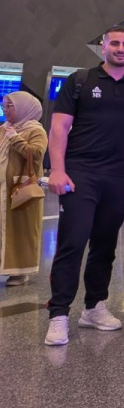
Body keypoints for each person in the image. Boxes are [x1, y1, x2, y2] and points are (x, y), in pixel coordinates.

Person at [45, 26, 124, 346]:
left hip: (118, 177)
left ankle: (94, 307)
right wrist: (58, 170)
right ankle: (59, 314)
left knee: (105, 246)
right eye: (115, 43)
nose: (121, 48)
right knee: (73, 242)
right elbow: (59, 127)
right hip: (81, 175)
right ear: (103, 47)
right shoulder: (80, 81)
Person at [1, 92, 48, 285]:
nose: (6, 110)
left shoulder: (36, 131)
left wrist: (16, 139)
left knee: (20, 229)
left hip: (19, 188)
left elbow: (36, 154)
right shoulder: (3, 129)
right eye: (4, 106)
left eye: (10, 106)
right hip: (2, 188)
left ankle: (20, 271)